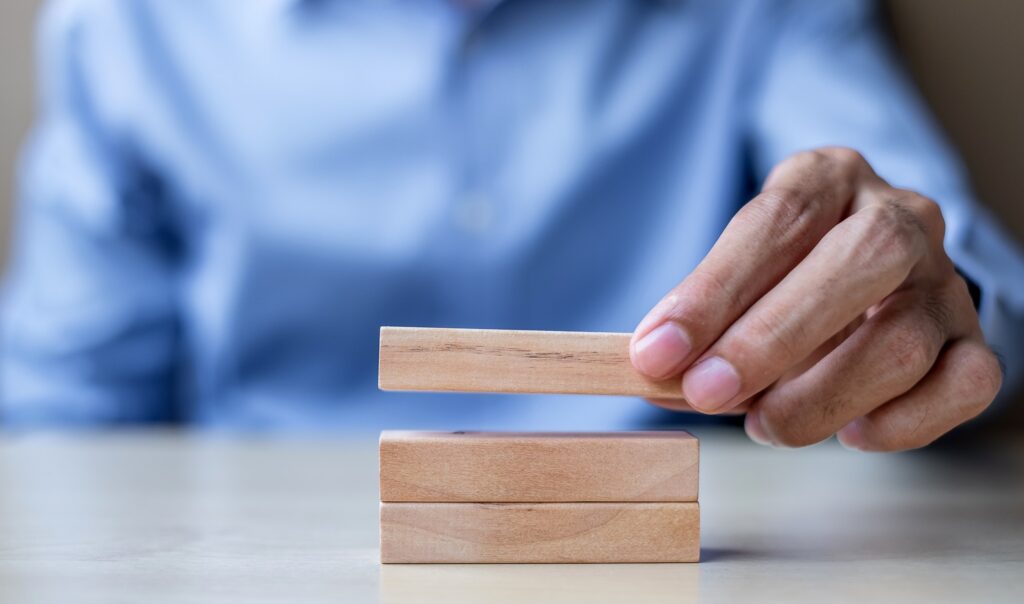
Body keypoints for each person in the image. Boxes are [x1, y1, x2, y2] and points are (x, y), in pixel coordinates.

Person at [3, 0, 1022, 449]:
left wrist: (935, 315)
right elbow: (60, 420)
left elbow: (954, 283)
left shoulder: (760, 9)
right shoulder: (129, 25)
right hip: (271, 596)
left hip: (688, 585)